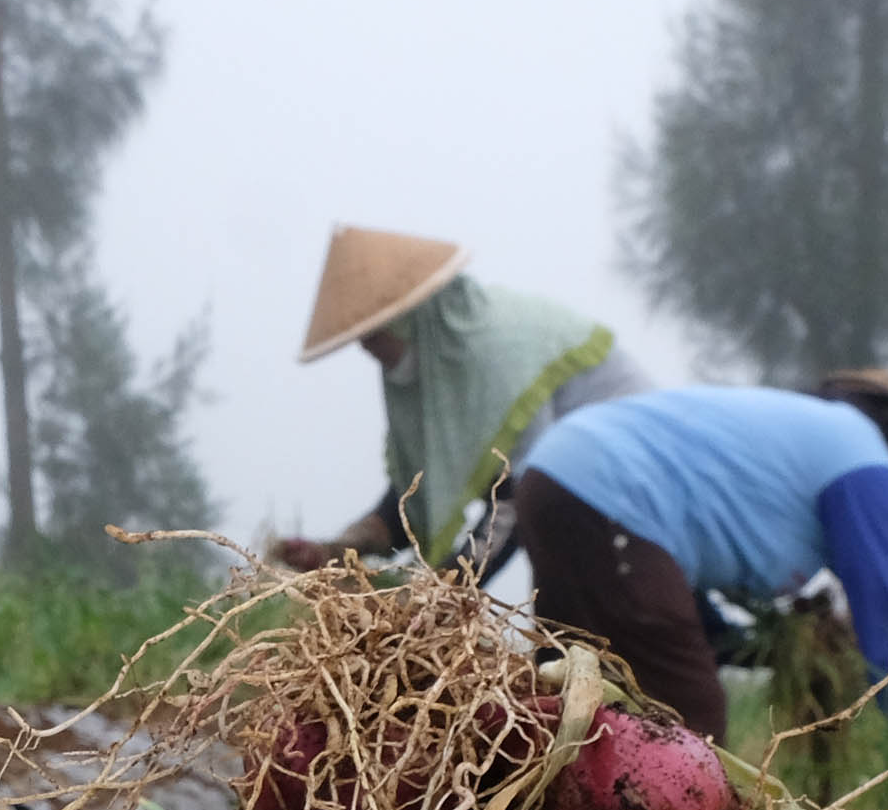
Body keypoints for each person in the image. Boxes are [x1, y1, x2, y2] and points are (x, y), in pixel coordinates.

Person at [507, 374, 888, 742]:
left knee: (564, 707)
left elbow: (676, 600)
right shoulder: (868, 468)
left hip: (557, 481)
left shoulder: (815, 447)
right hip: (607, 497)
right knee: (691, 733)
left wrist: (764, 647)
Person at [271, 226, 648, 580]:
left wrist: (443, 588)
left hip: (630, 475)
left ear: (407, 319)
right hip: (573, 496)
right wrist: (340, 549)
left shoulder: (493, 356)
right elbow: (415, 493)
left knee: (594, 600)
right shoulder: (439, 379)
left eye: (371, 333)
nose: (365, 347)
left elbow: (519, 495)